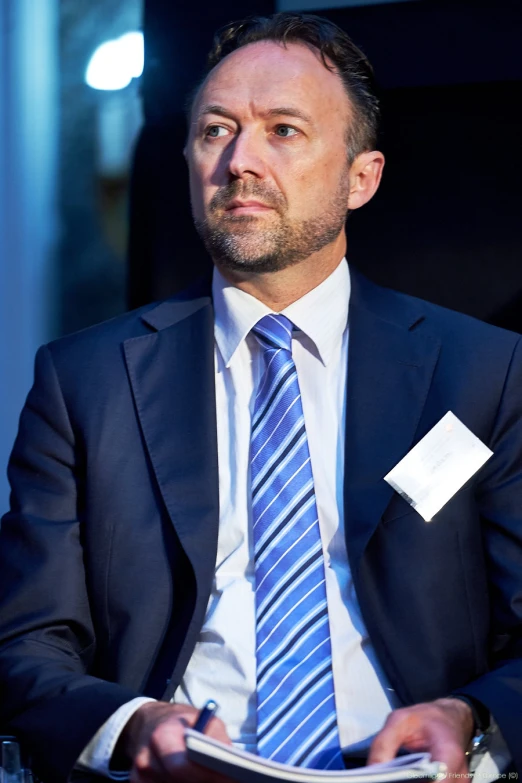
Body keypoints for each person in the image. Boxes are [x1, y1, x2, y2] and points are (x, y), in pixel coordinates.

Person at [0, 12, 521, 783]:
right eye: (216, 130)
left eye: (283, 130)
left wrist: (469, 717)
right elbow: (25, 640)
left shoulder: (482, 370)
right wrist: (128, 724)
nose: (240, 160)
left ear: (361, 176)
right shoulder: (84, 381)